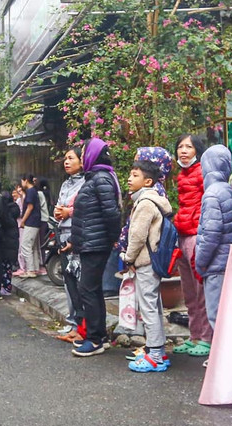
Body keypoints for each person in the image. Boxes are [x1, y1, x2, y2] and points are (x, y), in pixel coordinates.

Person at [69, 138, 121, 357]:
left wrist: (112, 239)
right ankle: (99, 336)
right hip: (92, 242)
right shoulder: (96, 178)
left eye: (83, 153)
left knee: (87, 289)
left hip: (96, 243)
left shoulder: (100, 179)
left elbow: (112, 213)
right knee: (92, 289)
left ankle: (94, 339)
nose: (81, 157)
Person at [122, 158, 173, 373]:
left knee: (148, 308)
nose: (129, 179)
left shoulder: (144, 204)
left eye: (135, 175)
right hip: (153, 261)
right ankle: (158, 351)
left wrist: (128, 258)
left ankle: (154, 356)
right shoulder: (153, 201)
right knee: (154, 305)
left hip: (145, 262)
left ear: (148, 181)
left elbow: (137, 236)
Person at [193, 145, 232, 353]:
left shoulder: (211, 194)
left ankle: (223, 360)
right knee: (227, 313)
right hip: (226, 261)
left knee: (216, 314)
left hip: (215, 264)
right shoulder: (227, 190)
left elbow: (210, 234)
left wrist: (200, 262)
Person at [170, 134, 210, 357]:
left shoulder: (202, 172)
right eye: (180, 146)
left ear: (198, 151)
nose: (183, 150)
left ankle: (206, 338)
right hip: (183, 234)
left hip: (197, 235)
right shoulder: (181, 174)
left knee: (201, 289)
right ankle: (194, 336)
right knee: (189, 291)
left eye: (189, 147)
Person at [53, 147, 86, 340]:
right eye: (65, 158)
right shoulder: (65, 184)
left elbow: (83, 208)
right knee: (69, 283)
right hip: (63, 233)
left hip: (77, 234)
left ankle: (82, 326)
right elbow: (60, 205)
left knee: (81, 282)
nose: (66, 161)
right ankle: (74, 323)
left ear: (82, 162)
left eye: (70, 158)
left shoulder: (87, 182)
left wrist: (69, 212)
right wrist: (60, 212)